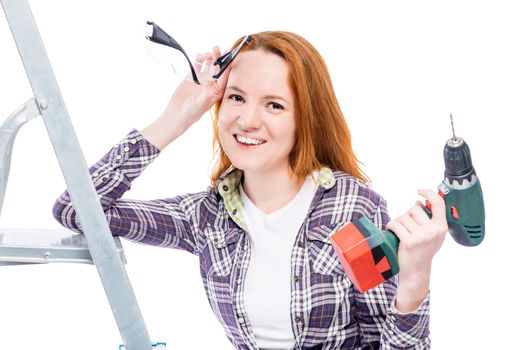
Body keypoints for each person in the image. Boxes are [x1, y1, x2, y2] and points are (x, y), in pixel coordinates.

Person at [53, 30, 447, 349]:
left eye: (274, 105)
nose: (247, 119)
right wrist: (175, 119)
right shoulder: (205, 217)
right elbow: (77, 209)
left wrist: (414, 282)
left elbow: (388, 343)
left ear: (305, 118)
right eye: (236, 98)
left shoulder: (351, 206)